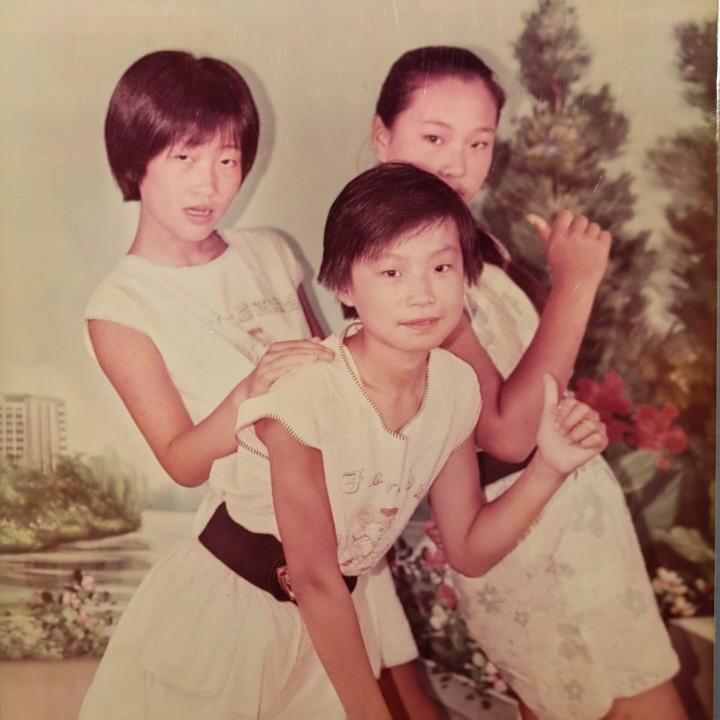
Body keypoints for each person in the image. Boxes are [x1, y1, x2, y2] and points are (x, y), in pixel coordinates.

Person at [79, 161, 608, 720]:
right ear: (342, 286)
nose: (422, 294)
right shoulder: (304, 393)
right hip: (224, 621)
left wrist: (550, 467)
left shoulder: (455, 388)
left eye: (441, 267)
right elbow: (314, 579)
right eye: (392, 272)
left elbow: (470, 550)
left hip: (328, 631)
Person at [85, 49, 440, 719]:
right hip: (239, 580)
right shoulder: (121, 306)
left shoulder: (269, 251)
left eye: (227, 159)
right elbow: (182, 460)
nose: (209, 184)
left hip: (340, 554)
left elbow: (342, 383)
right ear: (136, 159)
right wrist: (251, 393)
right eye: (184, 157)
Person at [369, 46, 686, 720]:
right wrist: (577, 282)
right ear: (381, 135)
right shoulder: (408, 269)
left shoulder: (463, 240)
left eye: (479, 142)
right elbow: (508, 434)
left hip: (566, 524)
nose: (458, 163)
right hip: (526, 533)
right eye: (434, 138)